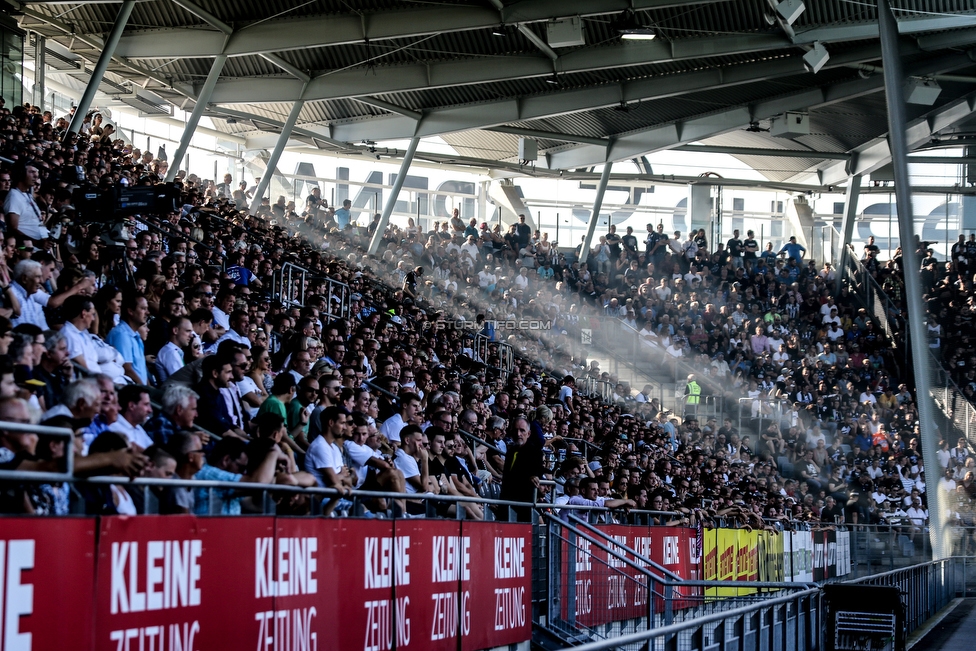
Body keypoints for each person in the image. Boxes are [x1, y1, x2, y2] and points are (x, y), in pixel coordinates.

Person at [500, 417, 543, 521]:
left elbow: (537, 469)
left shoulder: (535, 452)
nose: (518, 434)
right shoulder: (511, 451)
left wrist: (533, 476)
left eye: (522, 430)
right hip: (506, 501)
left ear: (528, 434)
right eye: (515, 430)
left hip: (523, 504)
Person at [106, 294, 150, 385]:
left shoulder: (136, 335)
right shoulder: (121, 335)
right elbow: (127, 369)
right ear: (130, 311)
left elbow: (141, 370)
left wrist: (150, 389)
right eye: (143, 308)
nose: (147, 312)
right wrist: (146, 390)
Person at [106, 385, 155, 450]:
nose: (150, 410)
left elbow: (153, 450)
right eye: (146, 404)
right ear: (131, 406)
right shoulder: (114, 426)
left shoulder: (138, 427)